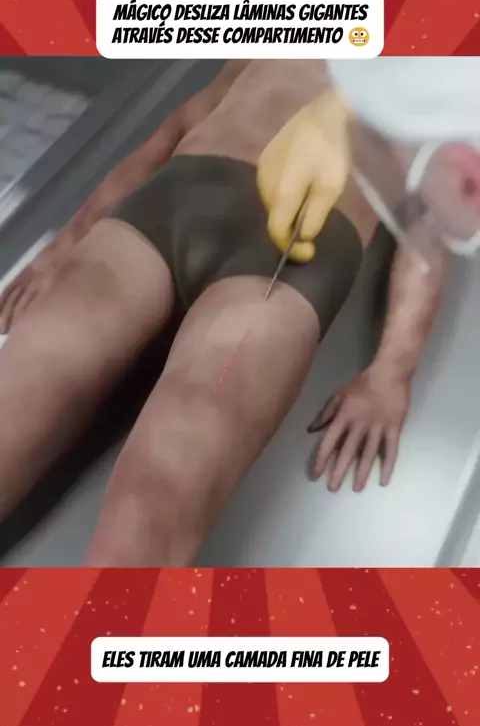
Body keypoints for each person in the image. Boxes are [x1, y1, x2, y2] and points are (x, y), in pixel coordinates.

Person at [0, 60, 447, 566]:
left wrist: (391, 374)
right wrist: (61, 248)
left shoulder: (432, 73)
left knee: (153, 502)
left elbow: (426, 226)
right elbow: (175, 128)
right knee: (19, 398)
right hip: (170, 203)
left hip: (287, 256)